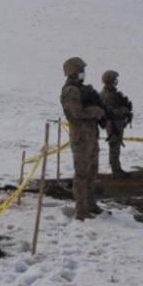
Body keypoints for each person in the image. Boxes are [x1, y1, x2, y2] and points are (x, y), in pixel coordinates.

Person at [59, 57, 105, 219]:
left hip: (90, 135)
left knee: (92, 171)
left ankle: (91, 204)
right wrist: (95, 111)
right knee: (82, 173)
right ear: (72, 71)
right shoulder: (70, 90)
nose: (83, 73)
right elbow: (76, 113)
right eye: (80, 70)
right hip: (81, 137)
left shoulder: (80, 88)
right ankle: (81, 209)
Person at [100, 70, 133, 177]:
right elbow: (109, 112)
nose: (116, 81)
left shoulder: (113, 93)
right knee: (114, 147)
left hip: (117, 123)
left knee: (116, 147)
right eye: (114, 79)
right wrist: (123, 110)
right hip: (113, 124)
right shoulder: (107, 95)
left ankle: (117, 168)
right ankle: (116, 170)